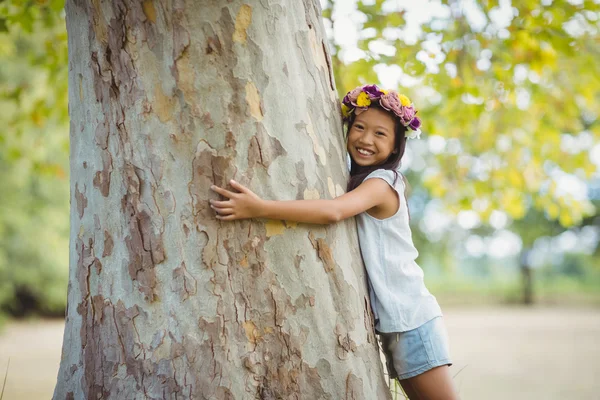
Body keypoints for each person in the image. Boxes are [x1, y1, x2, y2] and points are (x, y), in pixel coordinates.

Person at [210, 84, 459, 399]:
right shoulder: (355, 181)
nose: (366, 139)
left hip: (412, 322)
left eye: (380, 134)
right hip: (397, 327)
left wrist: (259, 208)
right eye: (359, 127)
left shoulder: (384, 183)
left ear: (396, 146)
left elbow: (333, 211)